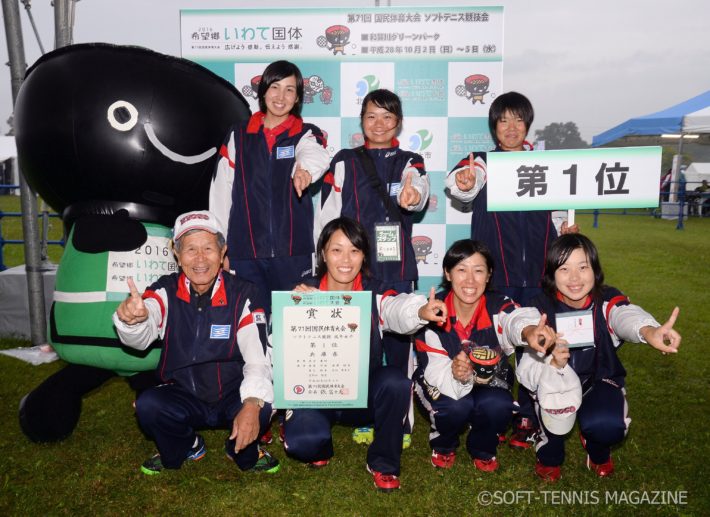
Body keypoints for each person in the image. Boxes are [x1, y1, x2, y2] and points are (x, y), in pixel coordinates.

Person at [444, 91, 578, 449]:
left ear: (528, 124)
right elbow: (461, 183)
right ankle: (493, 413)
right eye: (503, 120)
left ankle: (530, 418)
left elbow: (561, 213)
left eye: (518, 119)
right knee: (495, 346)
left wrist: (566, 230)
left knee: (537, 345)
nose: (511, 127)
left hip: (539, 275)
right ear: (493, 126)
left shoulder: (546, 167)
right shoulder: (482, 164)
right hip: (497, 277)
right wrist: (464, 182)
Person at [282, 217, 447, 492]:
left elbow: (396, 308)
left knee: (395, 381)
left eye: (354, 250)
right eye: (337, 250)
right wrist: (299, 308)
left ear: (363, 255)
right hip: (315, 392)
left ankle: (383, 463)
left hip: (360, 394)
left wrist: (419, 312)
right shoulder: (302, 290)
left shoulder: (375, 290)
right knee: (305, 443)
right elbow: (279, 349)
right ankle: (317, 437)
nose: (346, 259)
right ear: (323, 253)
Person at [113, 210, 280, 475]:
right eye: (190, 249)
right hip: (185, 394)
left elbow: (257, 359)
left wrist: (250, 403)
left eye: (208, 248)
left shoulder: (245, 293)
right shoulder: (164, 289)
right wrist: (132, 320)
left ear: (222, 251)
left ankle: (238, 448)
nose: (200, 258)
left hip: (232, 394)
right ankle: (189, 445)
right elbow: (142, 335)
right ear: (177, 255)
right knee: (148, 405)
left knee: (262, 404)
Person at [519, 233, 681, 481]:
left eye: (583, 267)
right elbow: (526, 366)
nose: (574, 278)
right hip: (555, 384)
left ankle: (596, 445)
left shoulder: (605, 298)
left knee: (607, 426)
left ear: (595, 269)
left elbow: (624, 315)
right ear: (552, 273)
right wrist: (550, 364)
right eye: (564, 268)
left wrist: (648, 331)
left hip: (599, 377)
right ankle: (549, 452)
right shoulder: (538, 308)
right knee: (552, 415)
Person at [413, 239, 555, 473]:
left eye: (478, 271)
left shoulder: (498, 304)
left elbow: (515, 318)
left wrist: (529, 331)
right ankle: (444, 444)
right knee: (455, 406)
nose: (470, 280)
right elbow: (433, 369)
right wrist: (455, 373)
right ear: (447, 274)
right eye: (461, 270)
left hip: (488, 380)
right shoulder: (432, 310)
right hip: (439, 377)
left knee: (497, 405)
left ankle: (482, 447)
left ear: (489, 275)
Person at [317, 88, 430, 374]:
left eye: (387, 116)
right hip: (350, 270)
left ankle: (399, 410)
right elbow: (326, 218)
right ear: (361, 120)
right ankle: (346, 401)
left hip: (397, 269)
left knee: (400, 346)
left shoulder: (409, 159)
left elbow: (417, 182)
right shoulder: (344, 160)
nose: (378, 124)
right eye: (371, 116)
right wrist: (322, 265)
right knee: (345, 343)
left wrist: (413, 195)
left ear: (399, 121)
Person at [210, 60, 331, 311]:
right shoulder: (239, 135)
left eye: (289, 90)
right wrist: (219, 246)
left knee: (294, 324)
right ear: (263, 91)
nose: (280, 96)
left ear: (297, 97)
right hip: (245, 254)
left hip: (294, 253)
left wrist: (304, 170)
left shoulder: (305, 132)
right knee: (250, 326)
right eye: (275, 87)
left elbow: (313, 153)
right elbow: (221, 195)